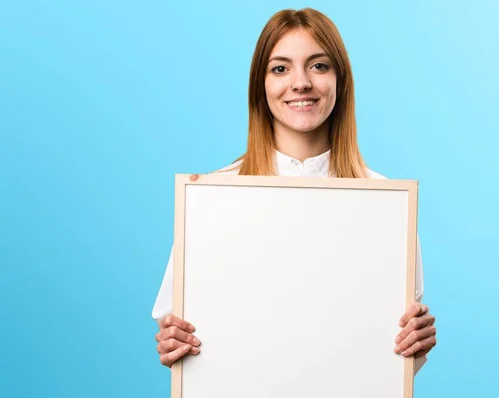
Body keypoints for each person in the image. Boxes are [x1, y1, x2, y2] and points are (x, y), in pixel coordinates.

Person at [152, 7, 436, 374]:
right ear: (261, 85)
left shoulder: (386, 203)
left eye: (318, 65)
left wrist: (415, 348)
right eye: (280, 68)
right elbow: (178, 333)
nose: (300, 83)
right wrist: (174, 342)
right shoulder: (213, 199)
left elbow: (387, 361)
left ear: (341, 81)